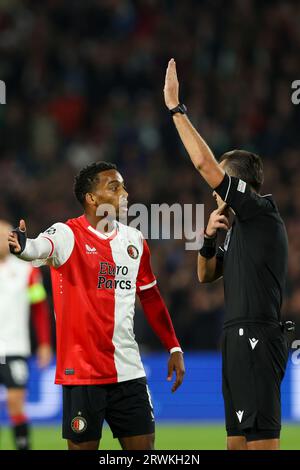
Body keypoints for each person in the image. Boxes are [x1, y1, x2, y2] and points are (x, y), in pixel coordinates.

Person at [8, 161, 185, 450]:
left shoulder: (135, 240)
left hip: (128, 370)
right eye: (114, 187)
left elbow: (150, 297)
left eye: (124, 186)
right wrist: (24, 246)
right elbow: (40, 247)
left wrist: (173, 346)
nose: (125, 193)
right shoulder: (67, 234)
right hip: (83, 374)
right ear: (91, 199)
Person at [164, 58, 289, 450]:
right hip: (234, 338)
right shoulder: (237, 230)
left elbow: (202, 163)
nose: (214, 193)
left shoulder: (262, 213)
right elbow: (204, 276)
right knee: (235, 444)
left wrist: (175, 108)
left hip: (257, 335)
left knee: (261, 443)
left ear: (239, 184)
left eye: (221, 183)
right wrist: (207, 239)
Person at [0, 219, 52, 450]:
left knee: (15, 403)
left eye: (3, 235)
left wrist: (44, 343)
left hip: (14, 347)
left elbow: (39, 307)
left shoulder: (26, 270)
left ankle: (23, 447)